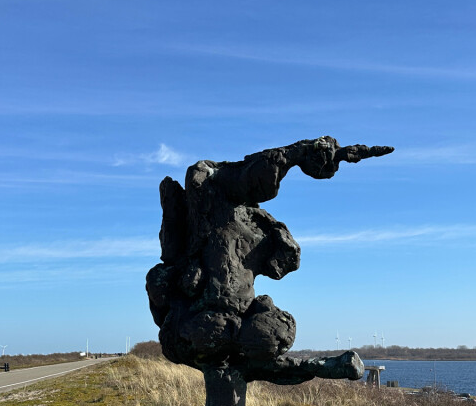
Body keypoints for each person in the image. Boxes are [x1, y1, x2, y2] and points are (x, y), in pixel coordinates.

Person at [146, 136, 393, 382]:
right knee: (238, 346)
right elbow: (251, 177)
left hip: (226, 321)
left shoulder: (254, 222)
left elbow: (256, 182)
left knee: (263, 339)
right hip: (200, 323)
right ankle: (319, 366)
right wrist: (299, 152)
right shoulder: (212, 184)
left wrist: (301, 153)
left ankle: (320, 366)